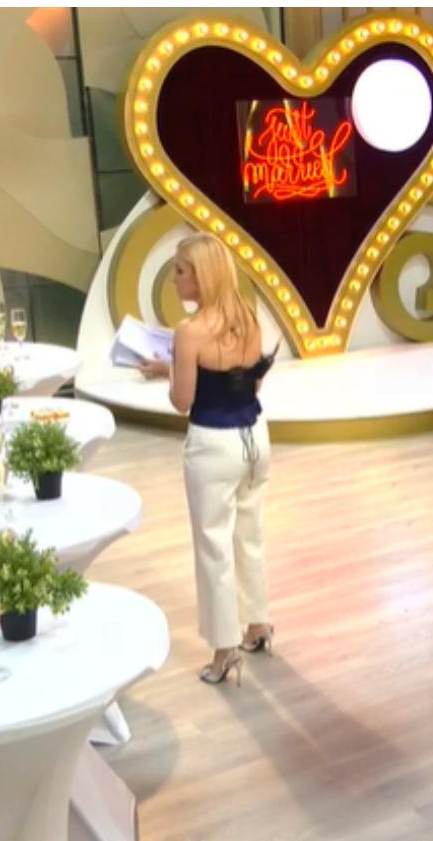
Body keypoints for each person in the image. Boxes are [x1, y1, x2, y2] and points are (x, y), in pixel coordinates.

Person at [141, 234, 275, 686]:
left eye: (180, 270)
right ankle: (258, 625)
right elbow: (251, 384)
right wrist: (173, 366)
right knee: (249, 534)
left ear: (201, 276)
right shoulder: (248, 318)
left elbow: (182, 401)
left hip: (213, 446)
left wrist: (172, 373)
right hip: (256, 438)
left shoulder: (189, 332)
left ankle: (224, 651)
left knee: (213, 546)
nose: (173, 278)